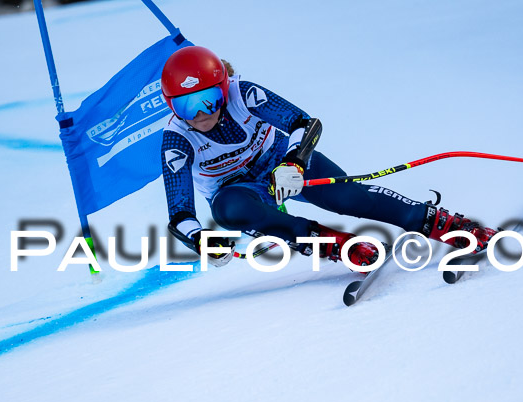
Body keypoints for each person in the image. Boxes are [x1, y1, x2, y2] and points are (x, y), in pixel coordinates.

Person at [159, 46, 497, 270]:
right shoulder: (177, 139)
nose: (201, 114)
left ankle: (447, 225)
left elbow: (305, 124)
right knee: (227, 209)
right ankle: (337, 245)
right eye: (187, 105)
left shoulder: (243, 93)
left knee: (349, 197)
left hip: (280, 163)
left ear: (223, 87)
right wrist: (201, 239)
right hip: (240, 191)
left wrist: (294, 162)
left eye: (209, 100)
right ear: (171, 105)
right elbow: (180, 213)